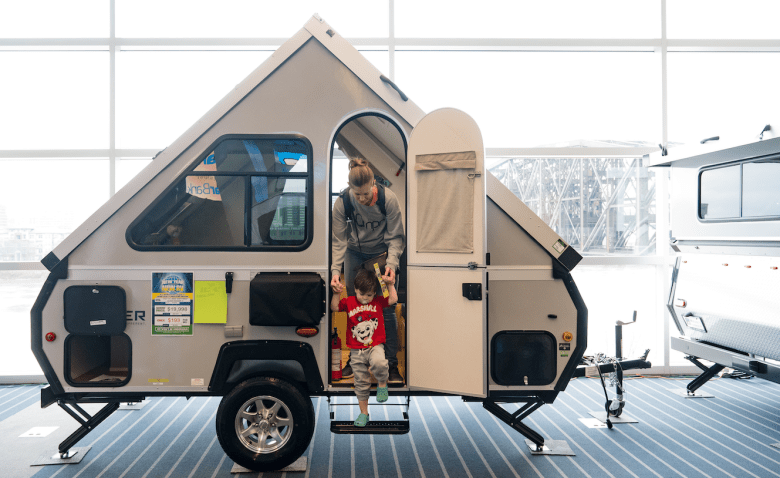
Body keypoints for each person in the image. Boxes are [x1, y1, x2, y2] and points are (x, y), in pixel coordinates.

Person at [332, 157, 405, 384]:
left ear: (374, 183)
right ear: (349, 188)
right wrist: (335, 271)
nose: (362, 199)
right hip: (354, 255)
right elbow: (338, 241)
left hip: (380, 257)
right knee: (355, 306)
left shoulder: (388, 199)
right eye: (357, 194)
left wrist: (391, 265)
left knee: (386, 309)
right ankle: (356, 360)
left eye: (366, 193)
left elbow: (396, 237)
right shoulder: (343, 202)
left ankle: (391, 364)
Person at [331, 268, 397, 426]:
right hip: (356, 349)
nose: (365, 299)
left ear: (374, 293)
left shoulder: (377, 301)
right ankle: (364, 413)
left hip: (375, 345)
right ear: (355, 289)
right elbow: (334, 307)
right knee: (360, 381)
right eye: (362, 294)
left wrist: (390, 285)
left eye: (369, 295)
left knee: (380, 363)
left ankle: (382, 383)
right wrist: (336, 293)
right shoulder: (349, 301)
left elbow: (393, 299)